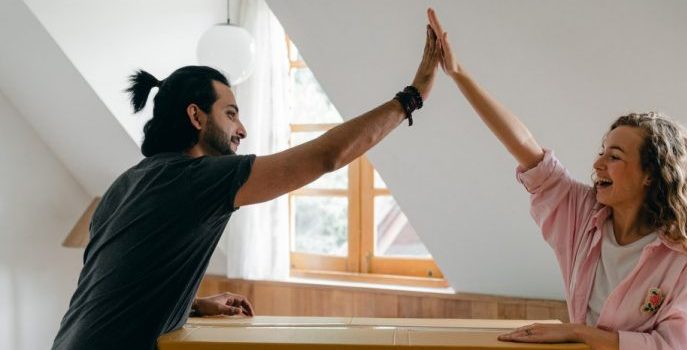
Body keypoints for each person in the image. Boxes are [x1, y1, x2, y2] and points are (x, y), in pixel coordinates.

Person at [52, 24, 441, 349]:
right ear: (196, 116)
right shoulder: (198, 178)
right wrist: (413, 96)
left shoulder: (129, 181)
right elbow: (327, 157)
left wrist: (194, 303)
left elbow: (116, 283)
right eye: (231, 114)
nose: (242, 129)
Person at [427, 8, 687, 350]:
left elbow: (674, 346)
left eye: (614, 157)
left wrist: (579, 333)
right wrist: (457, 73)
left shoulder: (684, 257)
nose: (598, 163)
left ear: (650, 175)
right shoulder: (581, 213)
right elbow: (524, 145)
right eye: (602, 151)